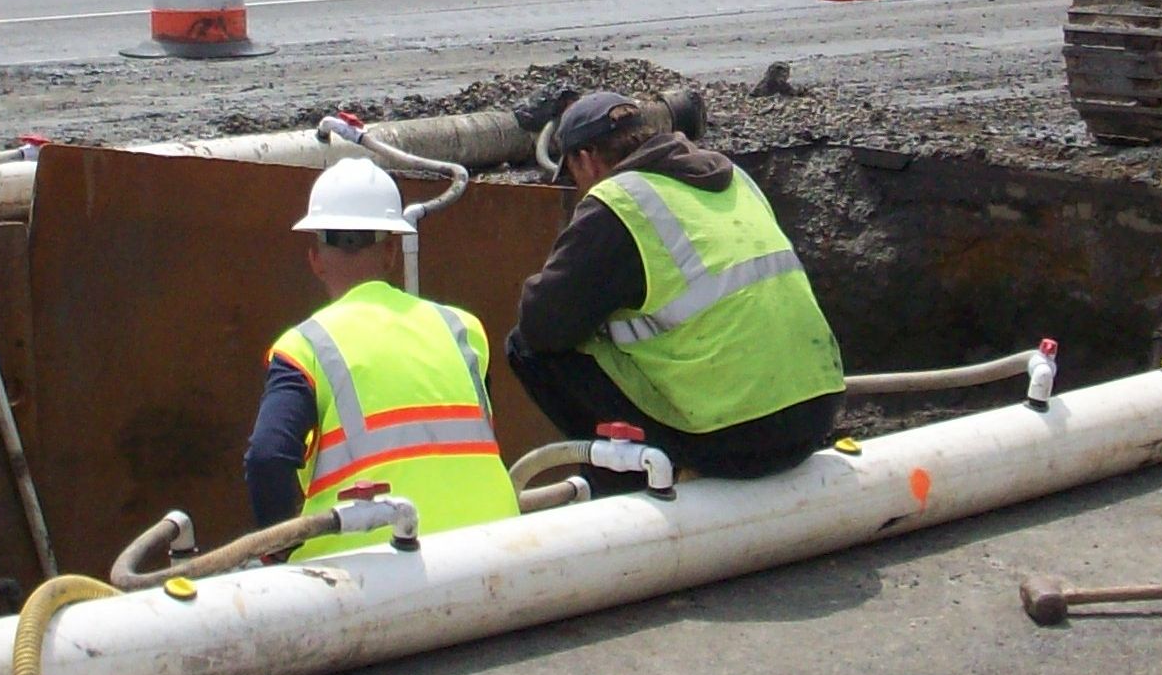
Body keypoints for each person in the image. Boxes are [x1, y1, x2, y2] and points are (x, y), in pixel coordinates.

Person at [507, 91, 844, 483]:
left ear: (585, 159)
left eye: (571, 174)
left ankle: (629, 481)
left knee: (528, 348)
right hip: (816, 413)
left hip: (736, 437)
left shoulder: (620, 203)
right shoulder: (734, 179)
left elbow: (542, 324)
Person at [243, 158, 519, 558]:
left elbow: (268, 458)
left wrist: (278, 553)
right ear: (392, 252)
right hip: (496, 547)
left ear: (315, 259)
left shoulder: (305, 346)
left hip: (367, 565)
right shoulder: (463, 330)